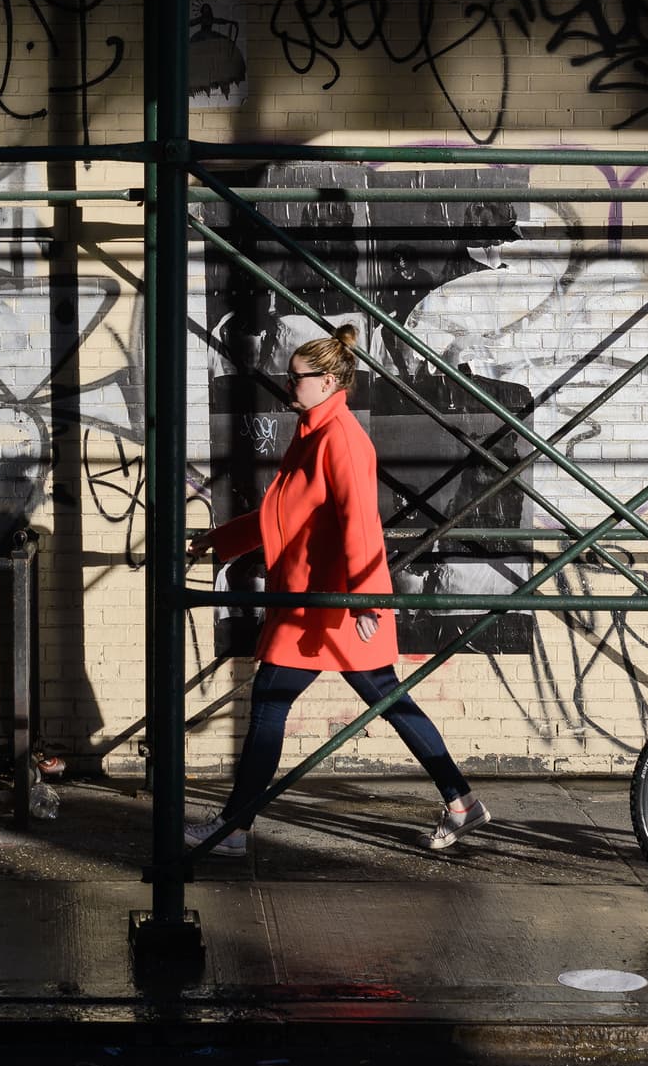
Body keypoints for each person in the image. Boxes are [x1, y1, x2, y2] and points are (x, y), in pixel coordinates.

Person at [184, 325, 489, 857]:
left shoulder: (340, 439)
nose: (288, 385)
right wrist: (220, 540)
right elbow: (283, 515)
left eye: (296, 377)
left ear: (328, 381)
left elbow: (360, 524)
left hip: (330, 605)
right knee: (388, 699)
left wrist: (367, 599)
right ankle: (460, 800)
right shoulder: (313, 433)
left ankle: (233, 828)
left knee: (271, 705)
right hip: (320, 602)